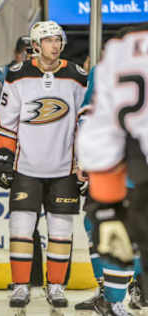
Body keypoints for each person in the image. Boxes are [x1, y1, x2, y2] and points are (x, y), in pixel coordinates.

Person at [0, 21, 87, 310]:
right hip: (26, 168)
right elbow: (7, 125)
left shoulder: (77, 77)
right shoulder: (17, 76)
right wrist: (4, 157)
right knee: (21, 228)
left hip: (64, 169)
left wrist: (85, 161)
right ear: (35, 44)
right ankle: (21, 286)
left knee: (60, 231)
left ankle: (55, 286)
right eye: (48, 40)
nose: (55, 45)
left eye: (58, 40)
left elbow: (84, 122)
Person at [76, 26, 148, 315]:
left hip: (125, 165)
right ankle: (118, 294)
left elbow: (92, 118)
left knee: (113, 231)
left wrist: (91, 166)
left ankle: (114, 297)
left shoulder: (113, 60)